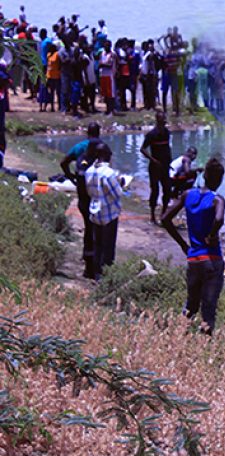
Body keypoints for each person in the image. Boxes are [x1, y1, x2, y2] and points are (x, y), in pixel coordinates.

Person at [161, 157, 225, 335]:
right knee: (209, 309)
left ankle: (178, 337)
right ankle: (205, 346)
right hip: (212, 258)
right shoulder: (217, 200)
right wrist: (212, 235)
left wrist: (183, 244)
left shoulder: (188, 195)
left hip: (193, 258)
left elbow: (165, 219)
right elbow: (219, 219)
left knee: (191, 305)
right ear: (220, 179)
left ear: (204, 175)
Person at [60, 123, 102, 278]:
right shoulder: (102, 148)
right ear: (99, 133)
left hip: (83, 194)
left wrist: (71, 177)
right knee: (97, 230)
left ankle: (88, 263)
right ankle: (95, 265)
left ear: (87, 133)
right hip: (97, 195)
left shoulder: (79, 148)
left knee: (88, 227)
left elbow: (63, 162)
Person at [84, 142, 124, 280]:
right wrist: (122, 183)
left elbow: (89, 191)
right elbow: (117, 193)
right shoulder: (108, 173)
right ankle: (106, 277)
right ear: (107, 156)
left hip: (95, 211)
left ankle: (96, 274)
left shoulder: (89, 171)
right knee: (108, 248)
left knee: (98, 245)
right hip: (109, 213)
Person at [141, 111, 173, 224]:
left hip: (165, 166)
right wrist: (153, 160)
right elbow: (142, 149)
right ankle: (152, 216)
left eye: (164, 120)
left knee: (167, 190)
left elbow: (167, 148)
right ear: (157, 121)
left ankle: (164, 213)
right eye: (161, 120)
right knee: (155, 190)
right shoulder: (151, 134)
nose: (164, 122)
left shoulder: (167, 133)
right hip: (155, 167)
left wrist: (169, 162)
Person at [98, 40, 116, 115]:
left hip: (110, 75)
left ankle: (111, 110)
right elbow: (100, 63)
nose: (106, 47)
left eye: (108, 45)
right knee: (105, 94)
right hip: (103, 75)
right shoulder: (102, 53)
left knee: (110, 94)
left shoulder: (112, 54)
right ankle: (107, 110)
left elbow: (110, 65)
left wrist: (103, 64)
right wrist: (102, 64)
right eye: (105, 45)